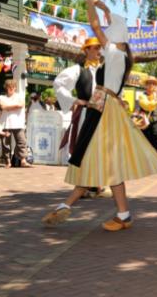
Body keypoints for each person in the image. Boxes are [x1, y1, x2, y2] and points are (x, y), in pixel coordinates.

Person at [41, 0, 157, 231]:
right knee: (101, 162)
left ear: (116, 37)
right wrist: (105, 8)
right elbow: (103, 25)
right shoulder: (120, 55)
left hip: (104, 111)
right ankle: (113, 213)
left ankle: (71, 206)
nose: (103, 38)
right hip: (105, 108)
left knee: (97, 159)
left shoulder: (115, 54)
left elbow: (95, 25)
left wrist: (90, 3)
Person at [54, 36, 103, 197]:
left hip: (102, 114)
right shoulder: (77, 70)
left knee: (99, 149)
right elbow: (59, 84)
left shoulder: (104, 70)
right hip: (86, 114)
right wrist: (76, 100)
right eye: (96, 48)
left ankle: (94, 185)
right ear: (87, 50)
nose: (99, 51)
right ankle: (81, 185)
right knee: (84, 147)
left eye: (100, 48)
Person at [0, 79, 30, 168]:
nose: (11, 88)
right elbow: (3, 106)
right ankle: (8, 162)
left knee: (22, 141)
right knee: (5, 143)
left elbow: (21, 105)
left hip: (18, 122)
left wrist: (8, 107)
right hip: (5, 122)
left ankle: (23, 161)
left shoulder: (20, 96)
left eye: (13, 87)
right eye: (9, 87)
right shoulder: (2, 97)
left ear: (15, 87)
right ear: (6, 88)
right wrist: (15, 106)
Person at [136, 77, 157, 152]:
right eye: (149, 83)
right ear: (146, 85)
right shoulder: (142, 96)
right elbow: (143, 106)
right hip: (145, 123)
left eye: (153, 83)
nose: (151, 85)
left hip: (155, 121)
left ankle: (156, 155)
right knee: (145, 141)